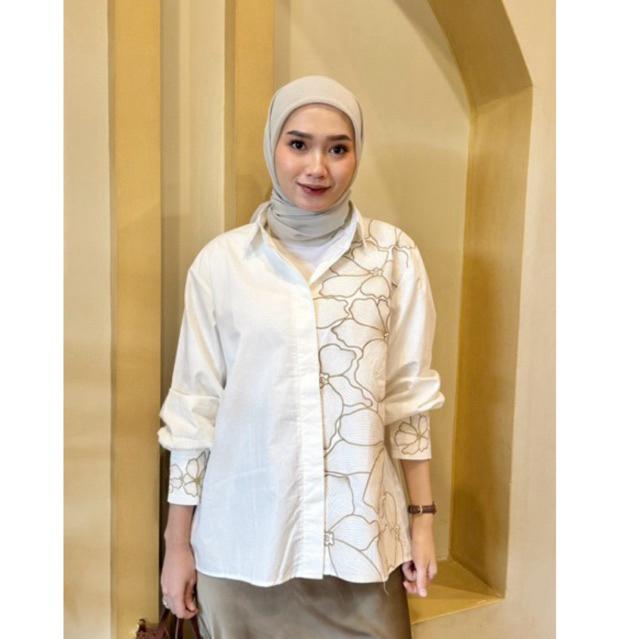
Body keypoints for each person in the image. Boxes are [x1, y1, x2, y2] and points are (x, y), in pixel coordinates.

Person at [157, 75, 445, 639]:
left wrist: (423, 524)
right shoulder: (222, 264)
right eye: (299, 144)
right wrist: (177, 545)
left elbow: (408, 399)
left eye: (338, 148)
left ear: (357, 153)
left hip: (362, 548)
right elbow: (194, 411)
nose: (318, 167)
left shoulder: (393, 256)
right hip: (243, 548)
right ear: (273, 146)